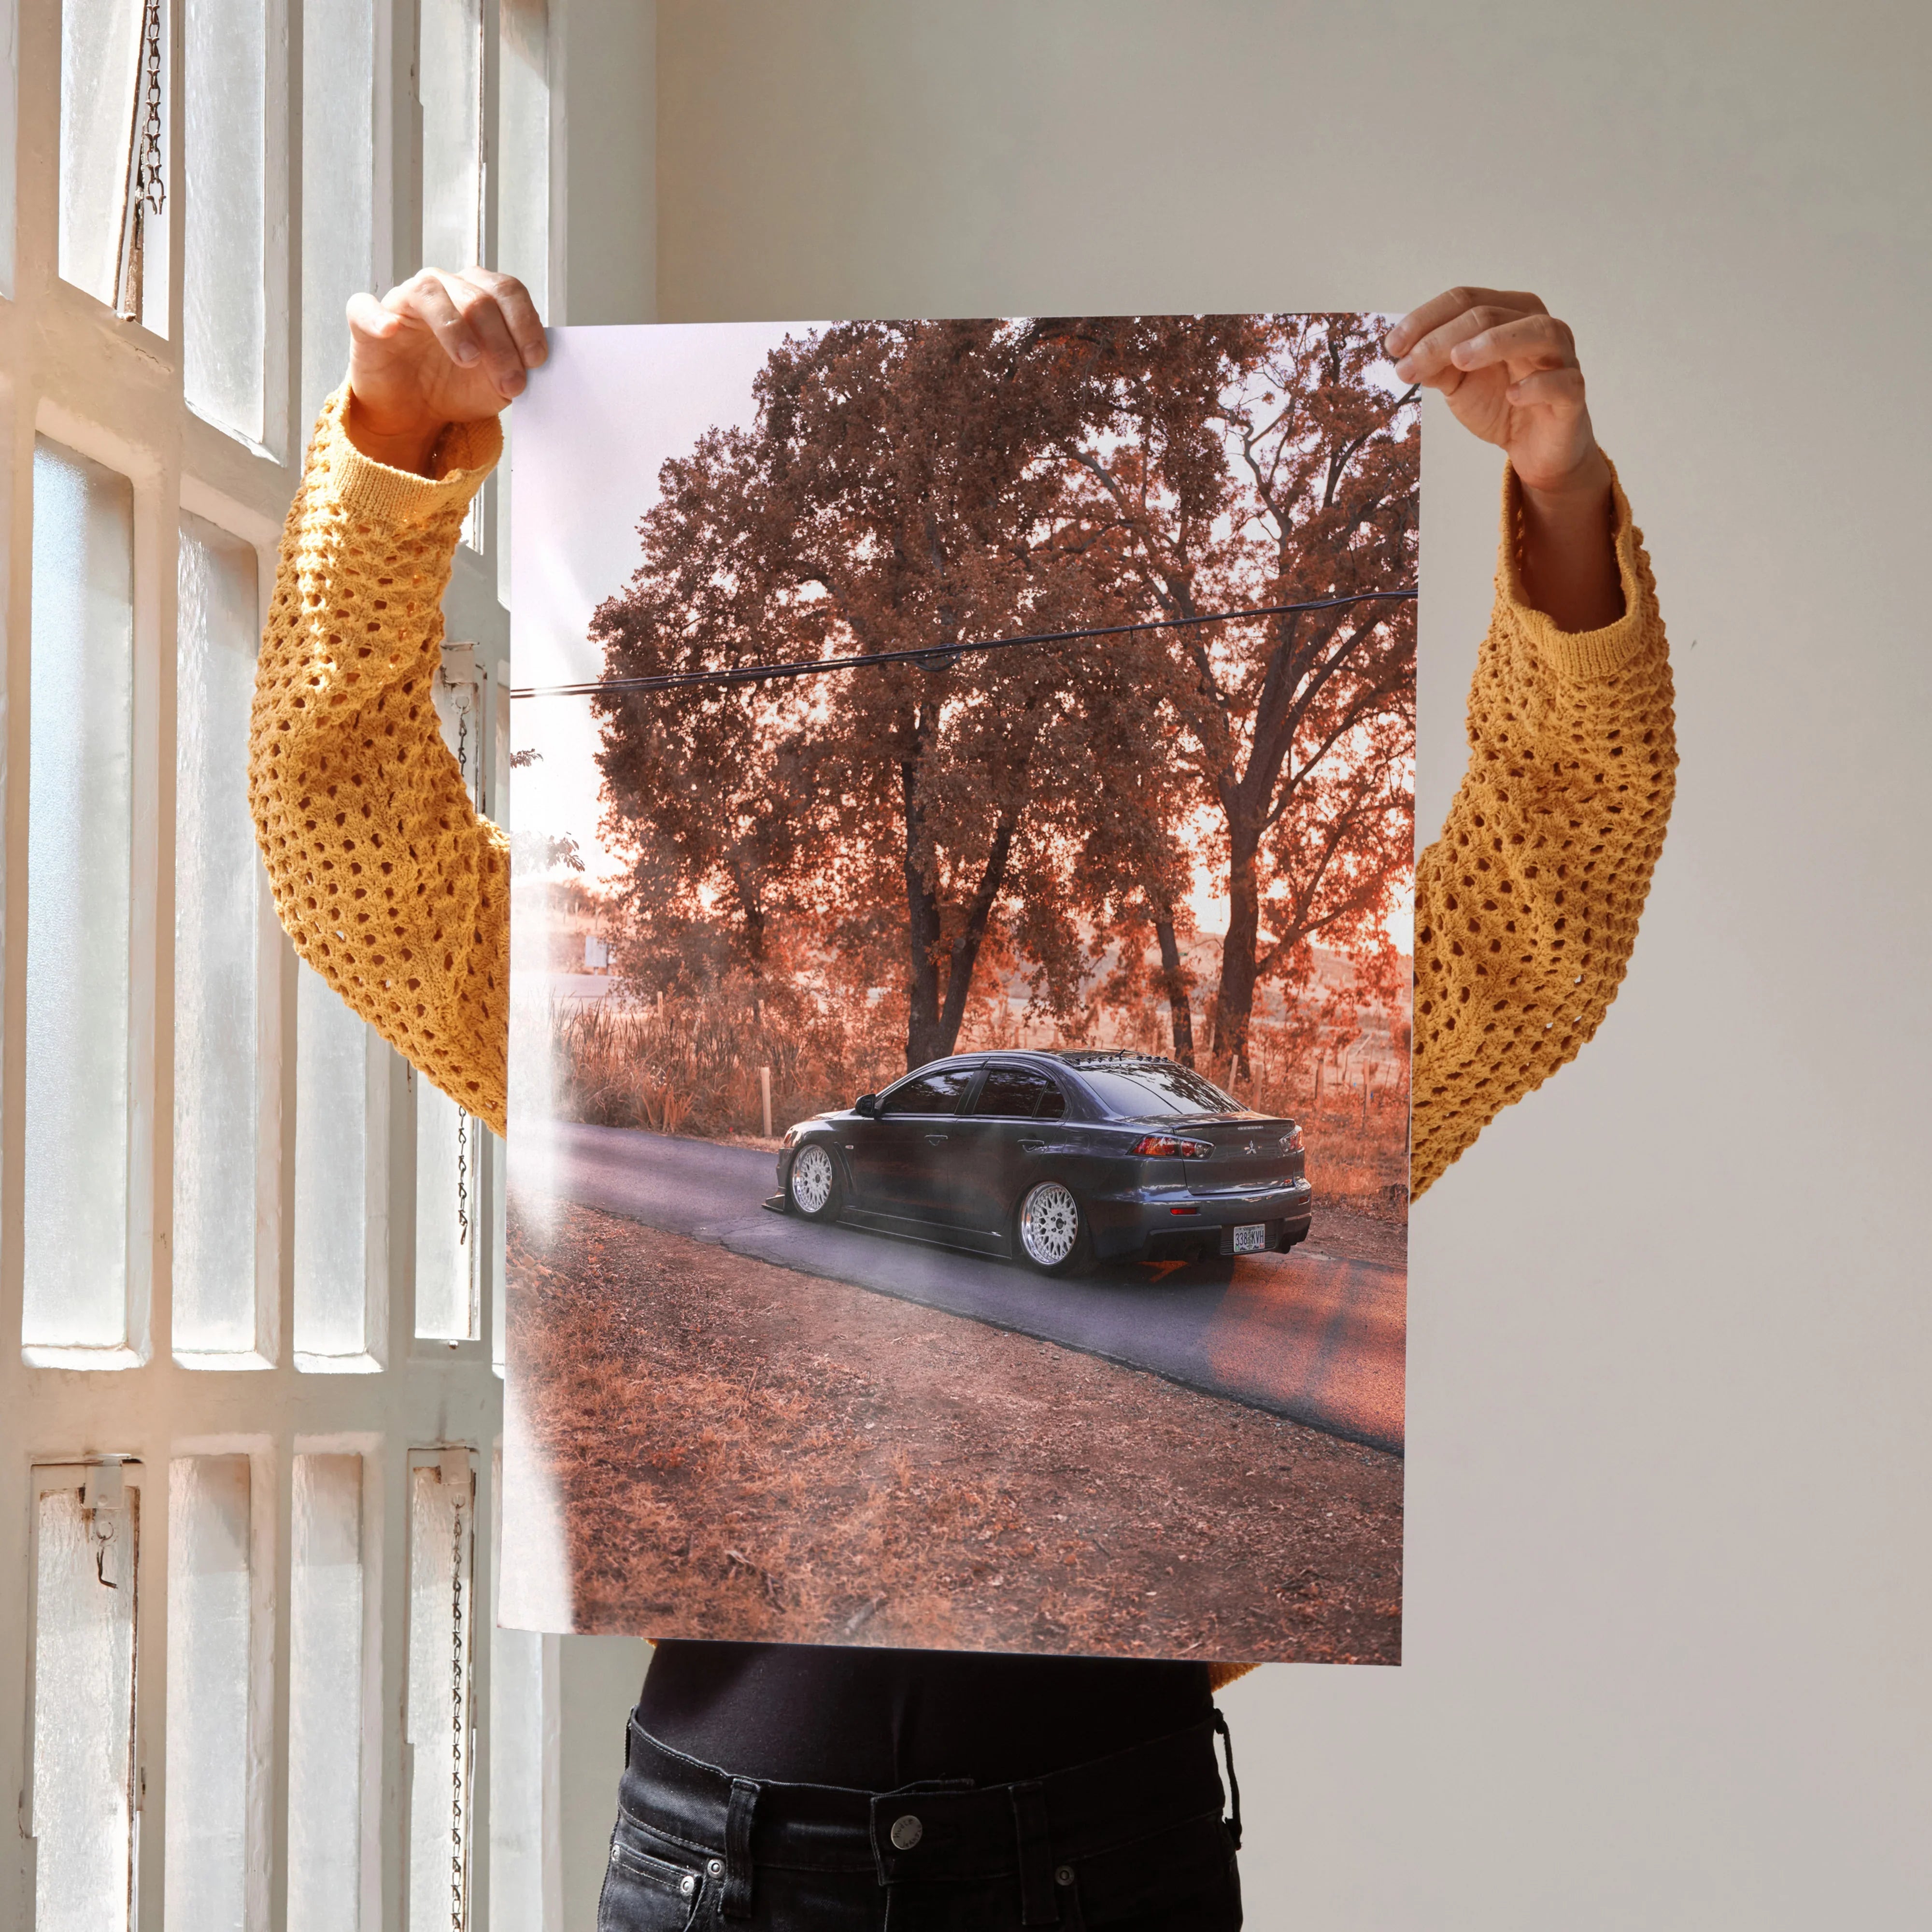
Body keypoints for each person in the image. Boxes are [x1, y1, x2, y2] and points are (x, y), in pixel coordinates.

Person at [250, 270, 1675, 1929]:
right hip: (728, 1871)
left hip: (1102, 1857)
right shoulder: (606, 1010)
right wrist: (393, 443)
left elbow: (1550, 897)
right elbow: (343, 834)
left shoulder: (1261, 1077)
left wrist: (1560, 496)